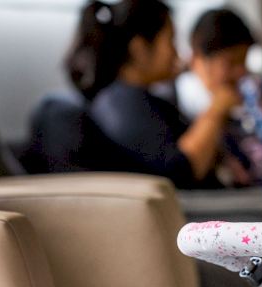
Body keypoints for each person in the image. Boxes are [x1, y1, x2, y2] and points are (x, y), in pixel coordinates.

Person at [65, 0, 239, 188]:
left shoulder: (138, 100)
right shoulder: (122, 105)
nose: (176, 53)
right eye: (171, 41)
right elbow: (181, 172)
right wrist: (217, 109)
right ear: (139, 49)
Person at [176, 8, 262, 186]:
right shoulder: (183, 100)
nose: (240, 71)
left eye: (243, 61)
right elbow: (188, 165)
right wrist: (218, 109)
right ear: (198, 59)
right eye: (230, 62)